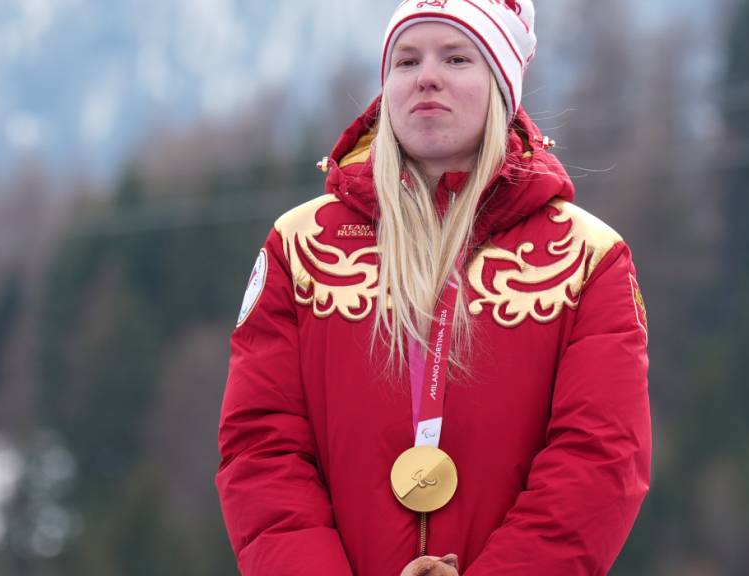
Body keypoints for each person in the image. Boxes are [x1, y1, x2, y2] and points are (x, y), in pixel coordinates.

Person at [216, 1, 651, 574]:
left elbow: (599, 460)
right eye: (405, 60)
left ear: (500, 85)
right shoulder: (300, 247)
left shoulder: (587, 258)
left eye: (456, 57)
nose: (426, 76)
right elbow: (262, 449)